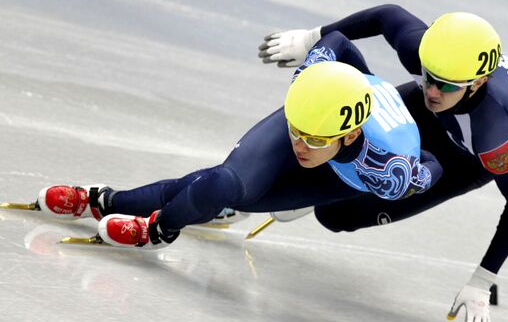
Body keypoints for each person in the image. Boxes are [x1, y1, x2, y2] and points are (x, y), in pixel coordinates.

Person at [258, 4, 508, 322]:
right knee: (328, 128)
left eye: (445, 85)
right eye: (429, 76)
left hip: (465, 160)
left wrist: (483, 279)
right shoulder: (427, 62)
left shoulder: (495, 137)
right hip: (424, 112)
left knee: (335, 216)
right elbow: (385, 15)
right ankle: (244, 197)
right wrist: (311, 38)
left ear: (478, 82)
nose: (433, 90)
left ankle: (321, 191)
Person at [36, 35, 442, 251]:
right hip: (319, 105)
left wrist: (421, 175)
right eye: (297, 134)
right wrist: (316, 58)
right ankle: (106, 200)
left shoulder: (389, 171)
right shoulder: (312, 88)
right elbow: (338, 41)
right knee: (224, 184)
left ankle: (158, 229)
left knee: (241, 199)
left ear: (349, 135)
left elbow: (432, 163)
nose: (300, 145)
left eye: (312, 140)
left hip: (342, 178)